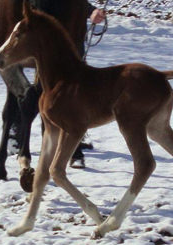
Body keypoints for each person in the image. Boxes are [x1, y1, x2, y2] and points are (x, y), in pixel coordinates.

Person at [29, 0, 106, 168]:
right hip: (51, 52)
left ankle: (74, 149)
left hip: (74, 49)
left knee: (74, 100)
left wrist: (92, 12)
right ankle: (51, 154)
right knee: (50, 103)